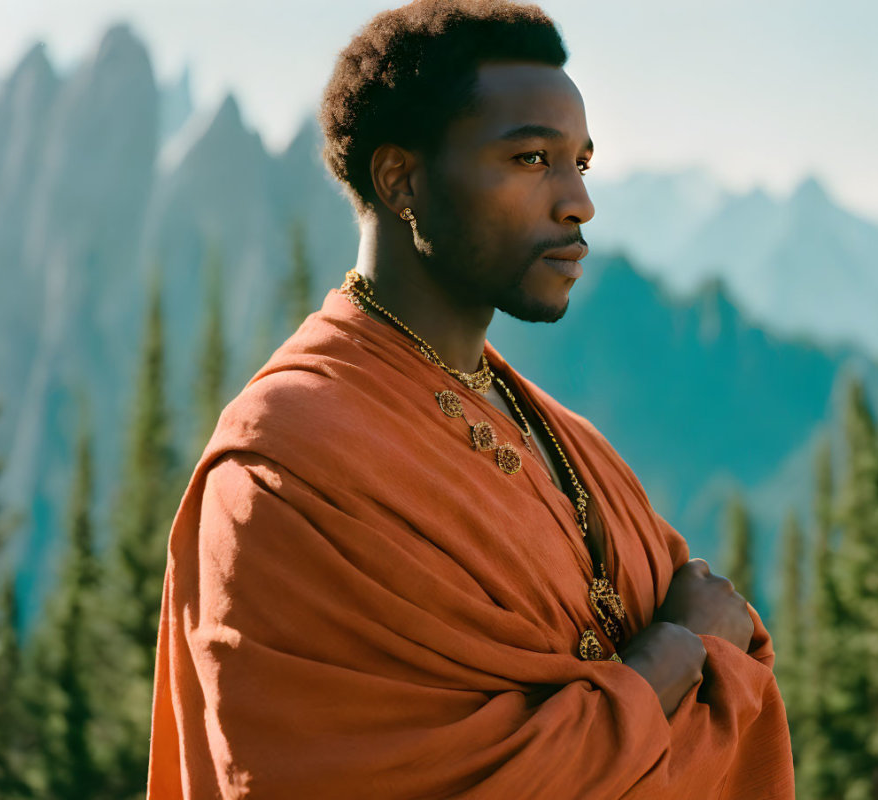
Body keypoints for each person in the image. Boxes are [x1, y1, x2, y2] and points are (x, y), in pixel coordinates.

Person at [146, 1, 794, 797]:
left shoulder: (569, 442)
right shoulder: (283, 467)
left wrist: (677, 660)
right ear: (402, 180)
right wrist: (673, 658)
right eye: (530, 159)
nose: (578, 202)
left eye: (580, 163)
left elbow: (736, 658)